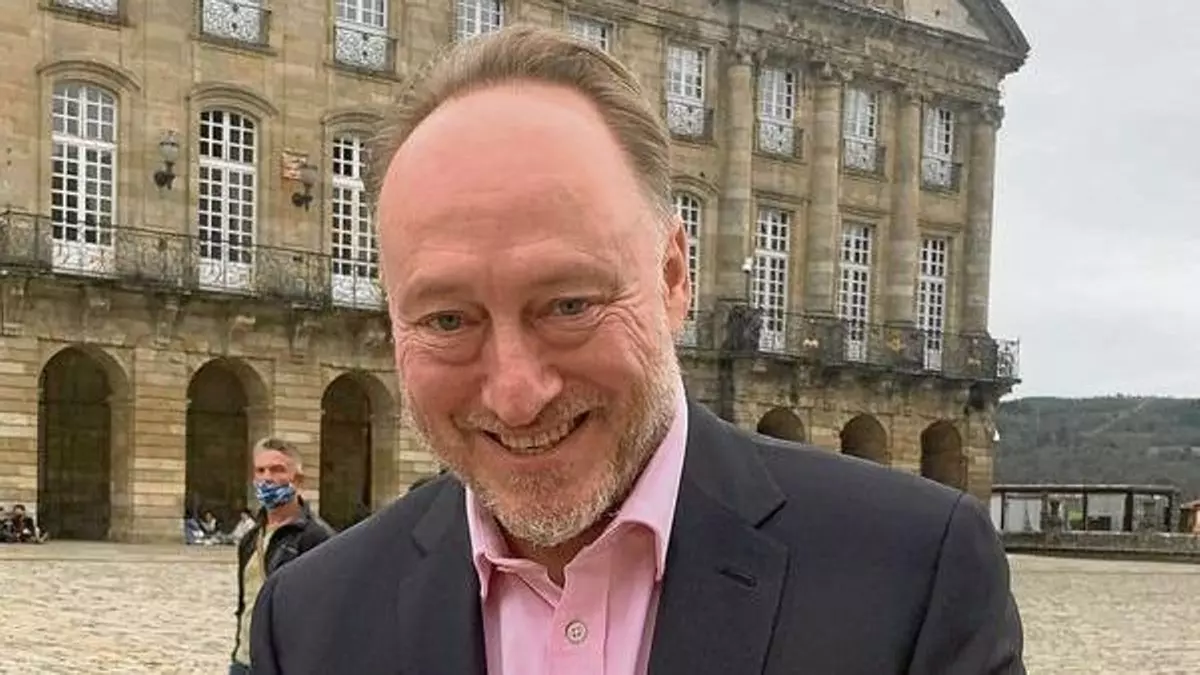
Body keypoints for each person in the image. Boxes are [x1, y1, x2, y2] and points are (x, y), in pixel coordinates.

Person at [248, 25, 1024, 675]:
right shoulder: (310, 622)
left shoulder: (913, 577)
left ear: (673, 276)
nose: (516, 393)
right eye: (448, 320)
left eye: (570, 305)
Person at [230, 437, 333, 674]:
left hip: (285, 664)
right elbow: (245, 602)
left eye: (277, 470)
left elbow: (326, 613)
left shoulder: (317, 537)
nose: (267, 478)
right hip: (244, 662)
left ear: (297, 479)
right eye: (260, 470)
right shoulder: (250, 539)